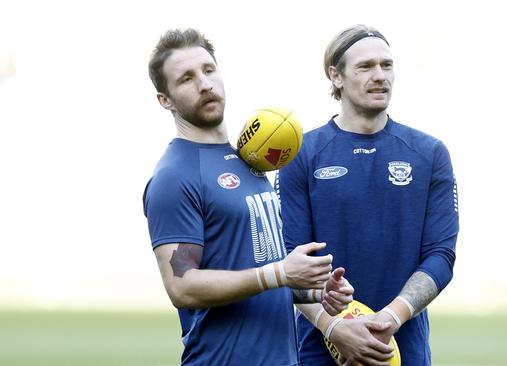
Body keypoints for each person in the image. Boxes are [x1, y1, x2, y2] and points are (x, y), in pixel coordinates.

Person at [142, 28, 354, 366]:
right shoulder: (175, 176)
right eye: (186, 78)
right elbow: (181, 286)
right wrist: (282, 273)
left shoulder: (248, 161)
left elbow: (256, 270)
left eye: (208, 70)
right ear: (165, 99)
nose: (204, 84)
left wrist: (313, 289)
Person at [277, 24, 459, 366]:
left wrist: (389, 318)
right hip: (319, 352)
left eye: (386, 65)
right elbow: (287, 260)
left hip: (401, 349)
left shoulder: (429, 153)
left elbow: (441, 255)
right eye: (365, 67)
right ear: (336, 76)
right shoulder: (300, 155)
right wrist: (334, 327)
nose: (380, 76)